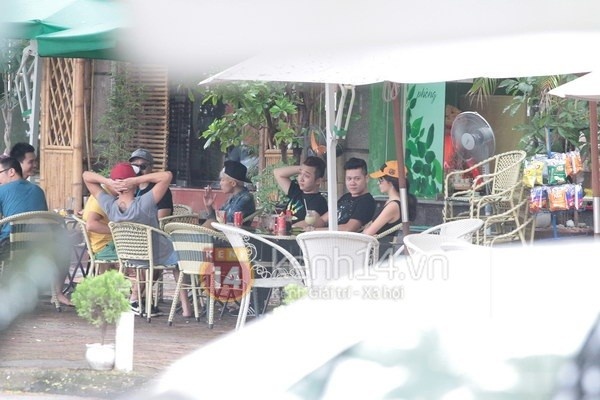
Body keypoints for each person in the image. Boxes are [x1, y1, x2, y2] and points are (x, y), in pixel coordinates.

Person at [82, 163, 192, 318]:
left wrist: (108, 182)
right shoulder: (144, 203)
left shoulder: (109, 205)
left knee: (170, 254)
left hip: (128, 257)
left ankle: (135, 299)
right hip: (153, 255)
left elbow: (86, 176)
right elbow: (167, 176)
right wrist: (135, 180)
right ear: (133, 183)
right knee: (181, 256)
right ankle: (187, 308)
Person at [0, 156, 73, 306]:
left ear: (11, 172)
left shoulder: (2, 190)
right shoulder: (38, 190)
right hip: (41, 248)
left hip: (11, 247)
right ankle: (57, 294)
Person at [317, 157, 376, 232]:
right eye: (349, 179)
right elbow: (323, 219)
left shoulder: (366, 201)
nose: (352, 183)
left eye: (357, 179)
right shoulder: (345, 197)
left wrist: (316, 230)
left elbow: (348, 228)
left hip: (345, 238)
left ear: (366, 178)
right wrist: (308, 227)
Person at [362, 160, 417, 236]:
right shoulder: (395, 202)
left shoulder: (393, 206)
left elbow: (368, 233)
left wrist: (365, 230)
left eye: (381, 179)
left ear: (391, 182)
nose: (378, 183)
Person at [274, 156, 328, 226]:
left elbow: (310, 222)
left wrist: (290, 228)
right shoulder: (296, 191)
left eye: (306, 176)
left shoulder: (318, 201)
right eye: (300, 174)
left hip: (295, 232)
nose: (301, 179)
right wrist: (302, 168)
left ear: (318, 181)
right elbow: (277, 173)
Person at [203, 160, 256, 226]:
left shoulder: (246, 198)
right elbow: (217, 219)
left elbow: (228, 221)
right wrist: (209, 207)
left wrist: (216, 213)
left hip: (233, 232)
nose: (220, 183)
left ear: (233, 183)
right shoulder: (232, 197)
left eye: (222, 180)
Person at [129, 148, 173, 219]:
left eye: (143, 166)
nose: (139, 170)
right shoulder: (130, 187)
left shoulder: (160, 189)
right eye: (135, 166)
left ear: (151, 167)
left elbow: (162, 220)